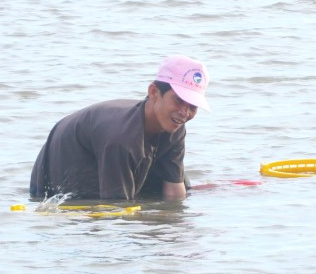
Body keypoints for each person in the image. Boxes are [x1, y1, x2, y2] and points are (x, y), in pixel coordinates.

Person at [30, 56, 210, 201]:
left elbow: (174, 193)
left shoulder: (175, 127)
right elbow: (116, 210)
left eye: (192, 106)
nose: (184, 113)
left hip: (115, 156)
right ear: (154, 92)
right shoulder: (121, 139)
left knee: (182, 185)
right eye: (178, 100)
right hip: (65, 170)